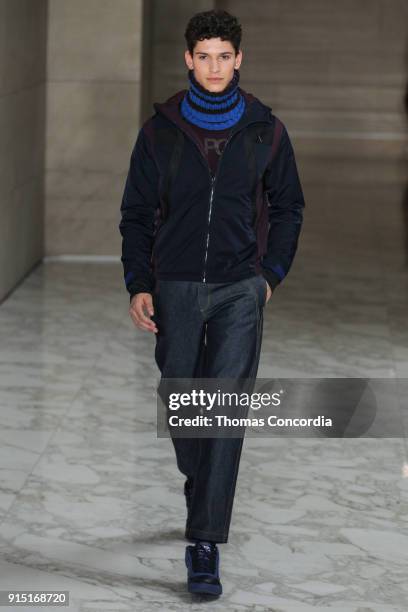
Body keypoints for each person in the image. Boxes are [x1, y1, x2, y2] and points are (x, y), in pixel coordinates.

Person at [119, 9, 305, 598]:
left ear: (239, 59)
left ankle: (204, 543)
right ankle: (199, 480)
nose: (215, 66)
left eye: (225, 56)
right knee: (182, 401)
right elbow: (136, 213)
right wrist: (138, 281)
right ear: (189, 59)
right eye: (205, 56)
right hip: (173, 284)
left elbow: (289, 207)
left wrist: (268, 275)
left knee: (223, 410)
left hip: (238, 288)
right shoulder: (159, 132)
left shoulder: (265, 130)